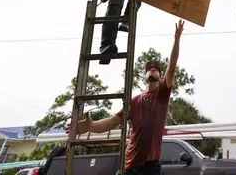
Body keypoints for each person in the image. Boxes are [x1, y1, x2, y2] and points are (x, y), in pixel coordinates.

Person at [67, 19, 185, 175]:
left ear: (160, 76)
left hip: (151, 165)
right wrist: (88, 126)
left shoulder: (162, 94)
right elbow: (111, 121)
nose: (153, 70)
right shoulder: (134, 101)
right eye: (149, 69)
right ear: (144, 76)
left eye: (156, 69)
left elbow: (171, 67)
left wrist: (176, 39)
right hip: (130, 164)